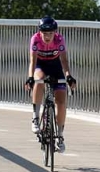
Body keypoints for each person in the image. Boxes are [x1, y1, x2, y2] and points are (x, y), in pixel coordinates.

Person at [24, 16, 77, 152]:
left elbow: (64, 61)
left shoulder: (59, 40)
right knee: (39, 80)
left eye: (50, 34)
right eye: (44, 33)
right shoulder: (35, 39)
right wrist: (30, 77)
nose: (47, 37)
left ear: (55, 33)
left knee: (61, 100)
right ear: (39, 32)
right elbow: (33, 60)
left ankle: (59, 135)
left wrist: (68, 76)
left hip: (55, 66)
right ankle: (35, 118)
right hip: (40, 65)